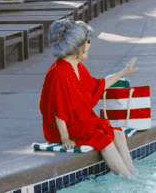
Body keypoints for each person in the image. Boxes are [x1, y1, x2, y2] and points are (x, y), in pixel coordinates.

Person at [39, 19, 140, 177]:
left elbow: (97, 85)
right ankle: (127, 180)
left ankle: (133, 176)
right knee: (102, 138)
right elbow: (59, 111)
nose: (89, 45)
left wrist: (123, 72)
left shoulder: (77, 67)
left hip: (82, 120)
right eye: (87, 41)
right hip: (66, 126)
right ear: (77, 46)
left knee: (118, 134)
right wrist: (65, 139)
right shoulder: (59, 72)